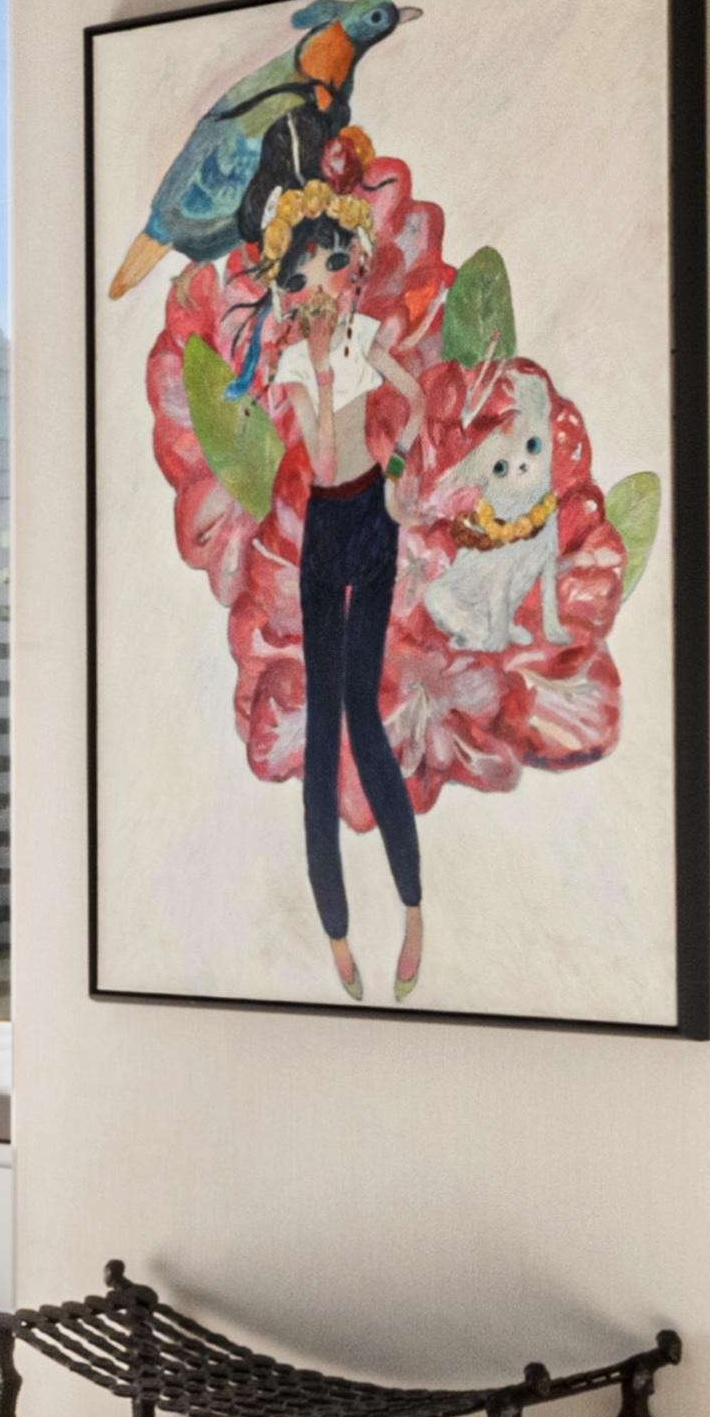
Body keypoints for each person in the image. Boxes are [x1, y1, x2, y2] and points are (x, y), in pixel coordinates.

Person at [246, 197, 427, 999]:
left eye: (332, 265)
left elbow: (414, 404)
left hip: (372, 522)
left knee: (363, 716)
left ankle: (413, 907)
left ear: (351, 269)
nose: (320, 284)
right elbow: (317, 462)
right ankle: (337, 933)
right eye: (303, 273)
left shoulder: (366, 340)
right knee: (323, 732)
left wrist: (395, 475)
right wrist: (316, 370)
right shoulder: (297, 362)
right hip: (325, 527)